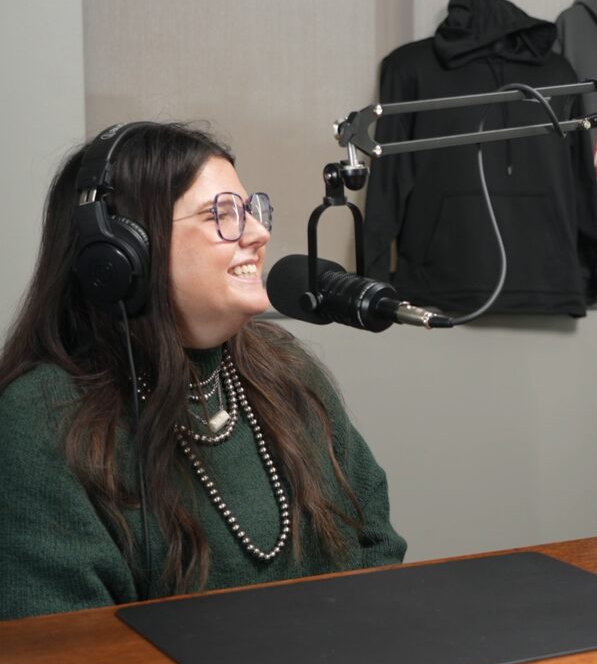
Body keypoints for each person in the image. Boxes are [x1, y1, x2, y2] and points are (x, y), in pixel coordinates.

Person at [0, 122, 406, 620]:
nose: (258, 234)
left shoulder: (290, 371)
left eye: (250, 210)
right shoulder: (43, 416)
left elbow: (377, 545)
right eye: (222, 215)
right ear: (120, 254)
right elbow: (64, 647)